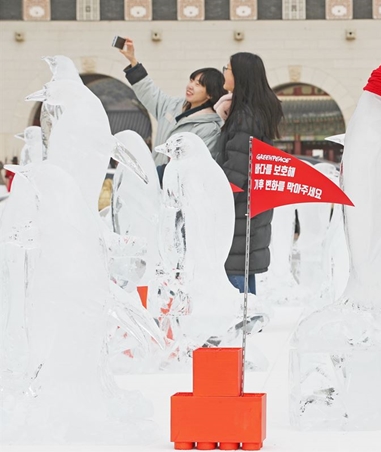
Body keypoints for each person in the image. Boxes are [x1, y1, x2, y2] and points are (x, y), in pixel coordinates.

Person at [213, 52, 283, 294]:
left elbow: (236, 171)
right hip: (247, 212)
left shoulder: (244, 118)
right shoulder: (249, 115)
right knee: (241, 278)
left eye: (228, 68)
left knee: (234, 286)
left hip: (238, 214)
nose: (224, 71)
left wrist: (216, 205)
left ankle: (238, 330)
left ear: (240, 76)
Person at [118, 38, 225, 181]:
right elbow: (150, 92)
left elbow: (197, 166)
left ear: (210, 94)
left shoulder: (210, 129)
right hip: (153, 183)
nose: (190, 86)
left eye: (198, 84)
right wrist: (133, 61)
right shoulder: (172, 106)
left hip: (176, 191)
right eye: (191, 80)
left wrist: (160, 176)